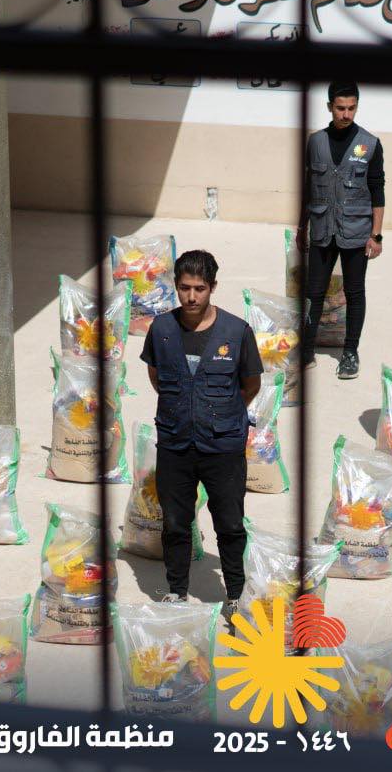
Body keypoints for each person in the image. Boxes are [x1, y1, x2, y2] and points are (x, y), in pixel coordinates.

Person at [141, 250, 263, 620]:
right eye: (184, 288)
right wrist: (184, 406)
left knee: (229, 524)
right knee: (175, 523)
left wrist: (220, 413)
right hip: (175, 443)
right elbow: (157, 377)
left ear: (213, 287)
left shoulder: (236, 332)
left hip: (222, 446)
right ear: (175, 287)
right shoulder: (161, 329)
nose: (191, 297)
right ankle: (176, 592)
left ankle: (236, 596)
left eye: (199, 289)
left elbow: (251, 385)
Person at [296, 81, 386, 380]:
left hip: (356, 230)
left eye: (351, 108)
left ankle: (350, 352)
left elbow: (377, 190)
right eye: (340, 108)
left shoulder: (370, 143)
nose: (346, 114)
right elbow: (307, 188)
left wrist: (376, 235)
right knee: (313, 292)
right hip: (322, 228)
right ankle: (306, 351)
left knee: (355, 291)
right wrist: (302, 226)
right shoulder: (315, 142)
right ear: (329, 107)